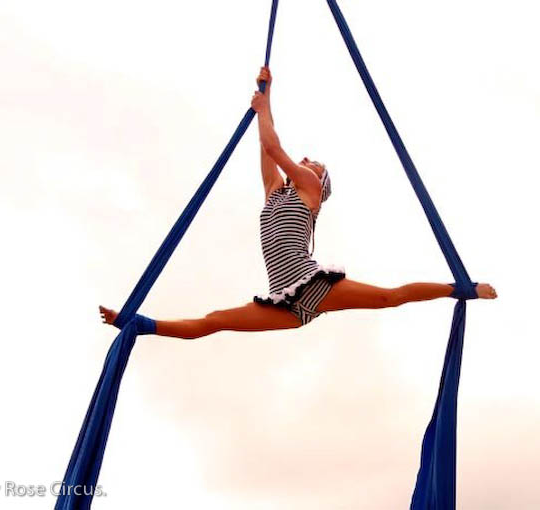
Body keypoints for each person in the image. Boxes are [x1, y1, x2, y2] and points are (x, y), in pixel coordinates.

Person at [99, 67, 497, 339]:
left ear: (319, 181)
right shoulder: (276, 191)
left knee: (389, 297)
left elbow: (273, 146)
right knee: (215, 322)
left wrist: (265, 107)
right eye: (307, 160)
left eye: (315, 163)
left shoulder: (307, 188)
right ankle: (137, 324)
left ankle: (460, 289)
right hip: (285, 302)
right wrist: (265, 96)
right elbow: (265, 146)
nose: (308, 159)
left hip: (314, 285)